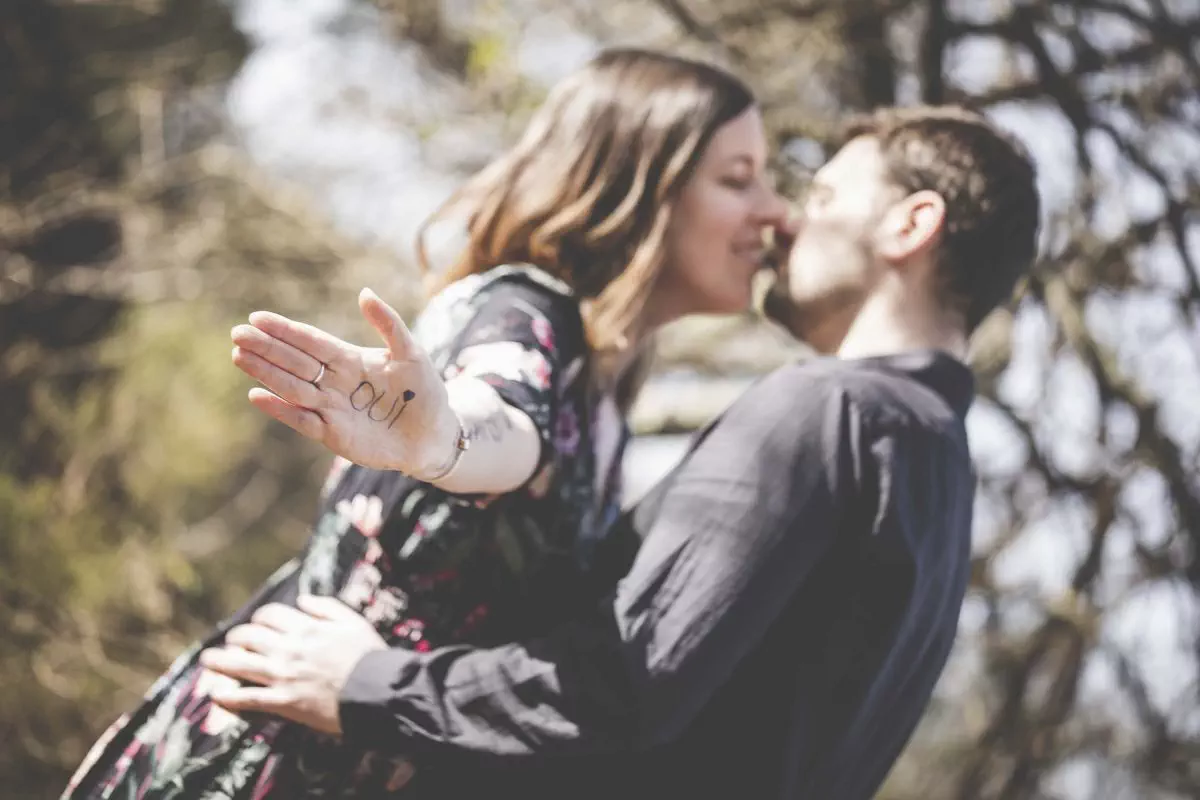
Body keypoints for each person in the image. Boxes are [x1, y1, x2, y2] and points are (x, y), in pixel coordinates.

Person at [196, 105, 1041, 800]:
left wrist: (367, 686)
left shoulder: (830, 409)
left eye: (820, 196)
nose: (784, 219)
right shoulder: (939, 481)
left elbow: (627, 683)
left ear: (912, 223)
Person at [62, 48, 787, 799]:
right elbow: (502, 414)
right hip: (273, 759)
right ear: (639, 185)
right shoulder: (524, 311)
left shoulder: (605, 401)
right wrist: (446, 440)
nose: (774, 210)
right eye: (738, 179)